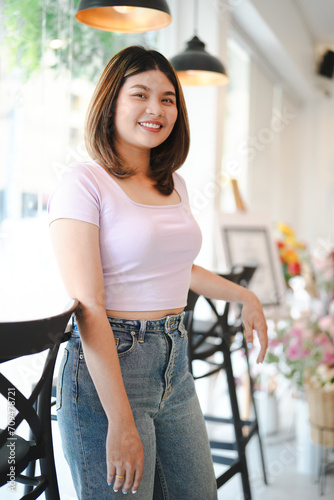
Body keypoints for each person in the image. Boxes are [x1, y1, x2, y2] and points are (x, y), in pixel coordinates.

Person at [48, 45, 268, 500]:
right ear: (111, 102)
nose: (156, 109)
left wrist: (245, 296)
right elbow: (89, 307)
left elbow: (176, 267)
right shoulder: (83, 183)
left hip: (175, 360)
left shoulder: (175, 185)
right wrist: (120, 422)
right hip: (107, 372)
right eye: (140, 94)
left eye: (168, 98)